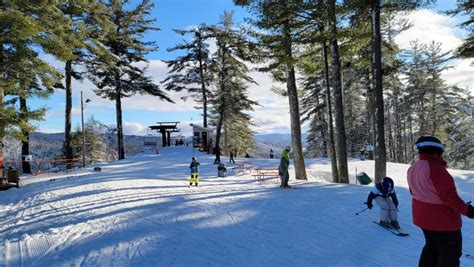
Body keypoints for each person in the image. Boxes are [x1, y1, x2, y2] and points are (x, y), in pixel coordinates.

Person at [407, 135, 474, 267]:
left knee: (432, 247)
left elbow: (413, 191)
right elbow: (449, 197)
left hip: (423, 219)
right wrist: (468, 210)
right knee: (450, 253)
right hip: (443, 222)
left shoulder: (413, 167)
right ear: (437, 151)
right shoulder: (436, 169)